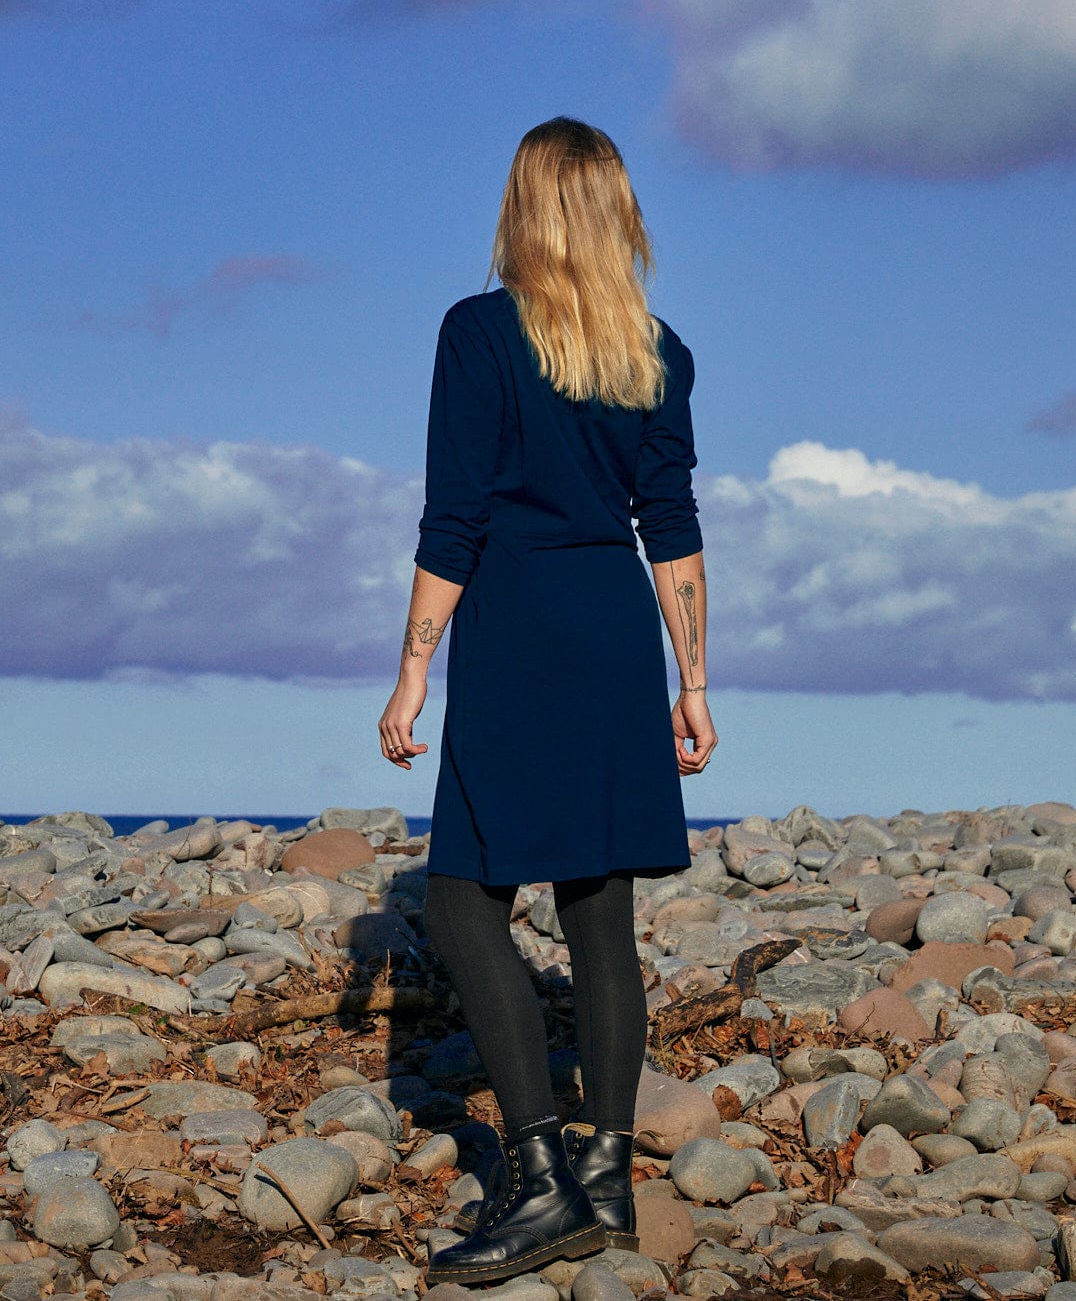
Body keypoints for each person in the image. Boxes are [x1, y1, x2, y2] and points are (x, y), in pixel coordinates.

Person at [378, 116, 717, 1288]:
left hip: (520, 631)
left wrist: (416, 662)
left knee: (465, 895)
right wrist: (695, 682)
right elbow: (671, 531)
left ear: (523, 206)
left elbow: (454, 519)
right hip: (617, 635)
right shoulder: (656, 351)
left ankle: (537, 1182)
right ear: (617, 211)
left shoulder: (479, 334)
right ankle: (611, 1179)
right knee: (598, 906)